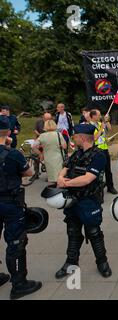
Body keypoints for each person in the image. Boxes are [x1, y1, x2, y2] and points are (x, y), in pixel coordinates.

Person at [55, 123, 112, 279]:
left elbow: (88, 179)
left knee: (94, 233)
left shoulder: (98, 155)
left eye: (75, 136)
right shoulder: (77, 153)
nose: (73, 139)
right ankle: (71, 263)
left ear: (81, 137)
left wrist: (65, 183)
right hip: (73, 200)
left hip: (88, 200)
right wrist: (60, 176)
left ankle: (102, 262)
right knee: (72, 232)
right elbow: (65, 167)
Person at [0, 115, 42, 300]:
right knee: (16, 242)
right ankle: (19, 284)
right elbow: (29, 172)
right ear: (8, 132)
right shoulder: (13, 154)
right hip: (10, 202)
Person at [90, 109, 117, 194]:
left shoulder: (99, 123)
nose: (100, 116)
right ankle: (97, 188)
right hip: (96, 150)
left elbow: (109, 129)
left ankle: (110, 187)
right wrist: (101, 128)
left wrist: (107, 121)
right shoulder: (89, 126)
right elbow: (94, 138)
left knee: (108, 170)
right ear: (93, 116)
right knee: (97, 170)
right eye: (98, 115)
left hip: (104, 149)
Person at [32, 120, 67, 186]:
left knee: (52, 176)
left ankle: (55, 187)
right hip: (59, 157)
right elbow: (65, 146)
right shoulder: (58, 134)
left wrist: (40, 154)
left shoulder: (42, 136)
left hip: (48, 157)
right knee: (60, 175)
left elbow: (34, 147)